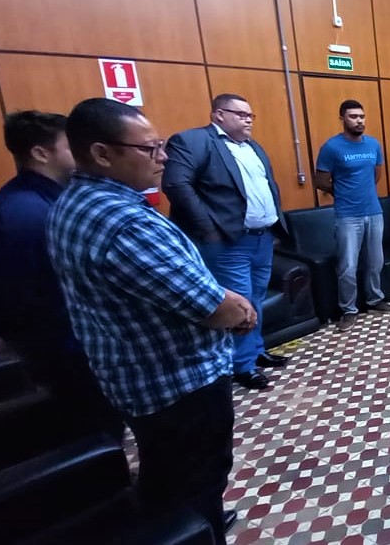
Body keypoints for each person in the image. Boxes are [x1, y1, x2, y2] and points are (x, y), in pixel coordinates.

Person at [48, 98, 256, 541]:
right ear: (102, 153)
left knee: (164, 478)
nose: (162, 158)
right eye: (149, 148)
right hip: (180, 385)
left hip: (132, 376)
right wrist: (237, 310)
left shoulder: (72, 203)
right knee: (196, 483)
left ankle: (185, 525)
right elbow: (213, 308)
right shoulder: (125, 223)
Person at [0, 110, 123, 442]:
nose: (84, 155)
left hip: (79, 343)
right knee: (90, 432)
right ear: (41, 153)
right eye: (71, 147)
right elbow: (15, 299)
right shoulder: (22, 215)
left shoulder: (54, 199)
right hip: (64, 351)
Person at [163, 93, 287, 390]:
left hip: (261, 237)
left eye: (250, 115)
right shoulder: (193, 141)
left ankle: (255, 351)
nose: (248, 120)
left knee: (255, 298)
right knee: (239, 304)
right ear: (219, 114)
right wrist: (208, 228)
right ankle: (241, 366)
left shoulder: (253, 146)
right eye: (241, 114)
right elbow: (176, 184)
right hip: (229, 242)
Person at [314, 99, 390, 331]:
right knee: (348, 266)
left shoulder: (373, 144)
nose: (359, 120)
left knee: (375, 261)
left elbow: (376, 175)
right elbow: (321, 181)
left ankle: (375, 300)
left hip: (374, 211)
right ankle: (349, 310)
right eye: (353, 116)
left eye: (361, 116)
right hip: (347, 215)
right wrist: (342, 191)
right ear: (342, 119)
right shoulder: (331, 147)